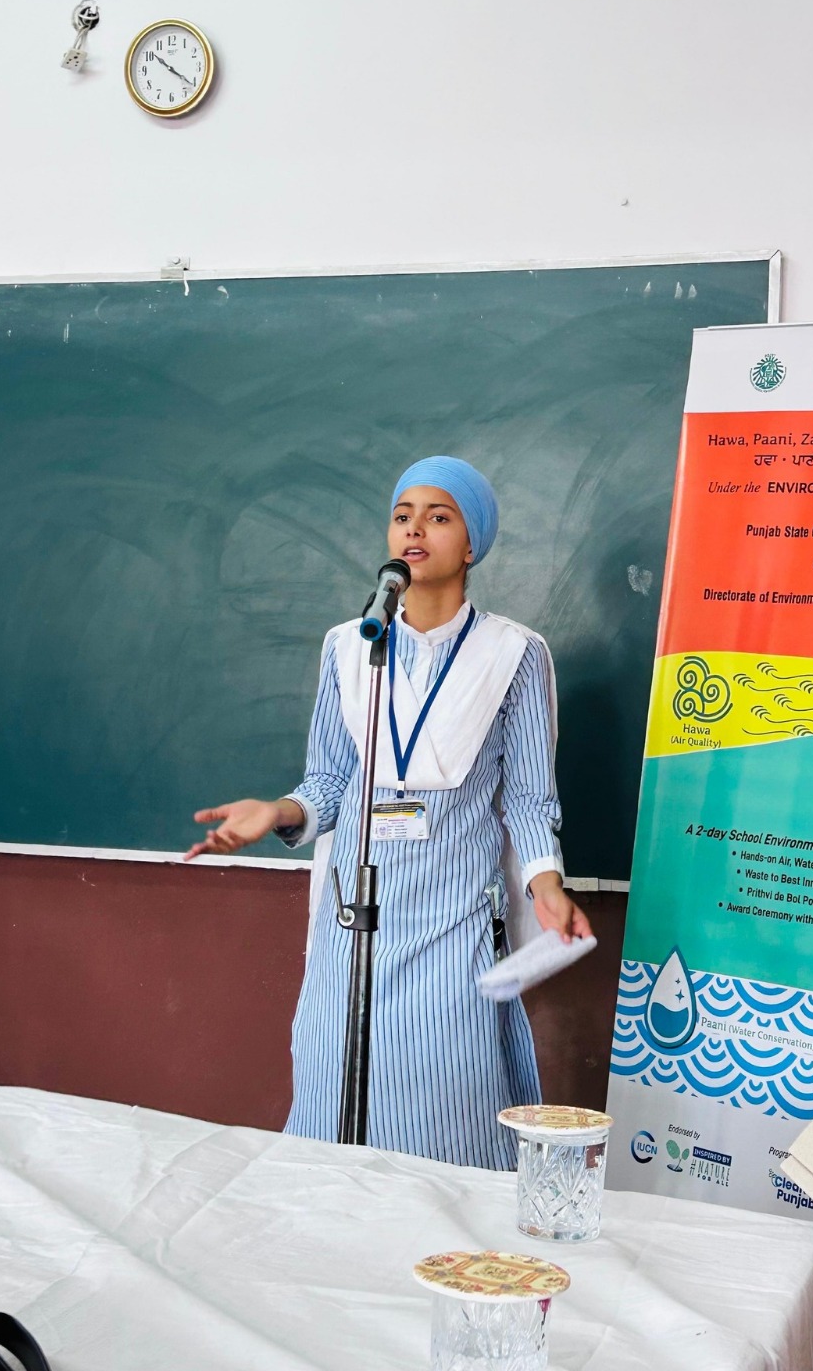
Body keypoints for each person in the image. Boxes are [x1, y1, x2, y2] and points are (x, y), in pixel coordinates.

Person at [186, 456, 590, 1170]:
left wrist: (547, 885)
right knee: (332, 1100)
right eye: (403, 515)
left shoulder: (514, 655)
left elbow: (529, 798)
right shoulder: (350, 647)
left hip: (451, 926)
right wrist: (276, 811)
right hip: (353, 925)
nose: (415, 529)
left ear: (472, 544)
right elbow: (328, 782)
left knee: (446, 1116)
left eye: (439, 516)